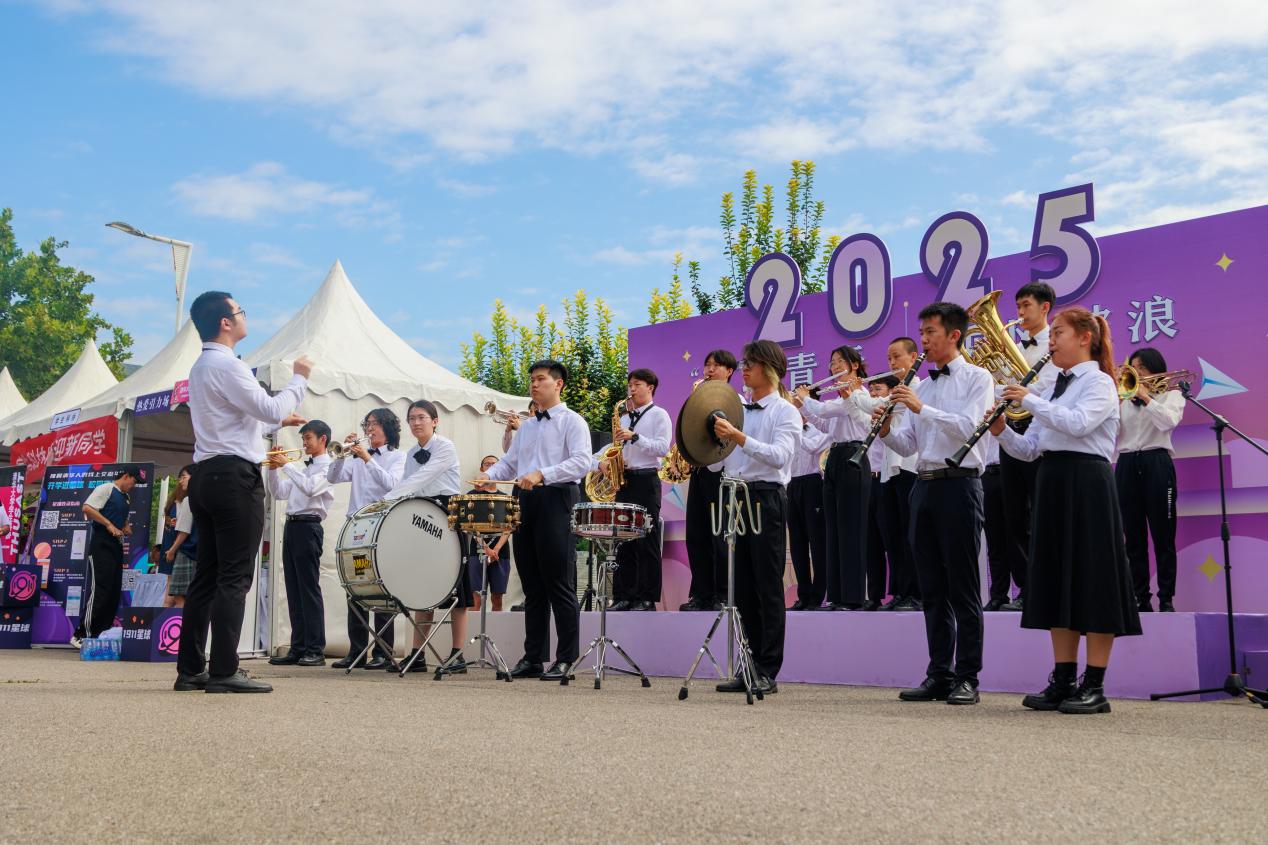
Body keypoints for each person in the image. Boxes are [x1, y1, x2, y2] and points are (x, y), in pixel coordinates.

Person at [991, 307, 1141, 714]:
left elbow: (1078, 425)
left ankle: (1094, 684)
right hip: (1053, 480)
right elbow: (1030, 449)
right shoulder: (1055, 388)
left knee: (1095, 578)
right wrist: (1001, 431)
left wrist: (1030, 399)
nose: (1051, 340)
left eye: (1058, 333)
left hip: (1088, 483)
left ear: (1085, 338)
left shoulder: (1101, 382)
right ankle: (1062, 678)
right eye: (1052, 333)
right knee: (1057, 579)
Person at [176, 290, 310, 694]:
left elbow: (245, 421)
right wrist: (299, 377)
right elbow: (269, 409)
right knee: (234, 577)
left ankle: (191, 669)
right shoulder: (229, 365)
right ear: (225, 322)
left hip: (206, 475)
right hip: (235, 478)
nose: (244, 317)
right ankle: (224, 670)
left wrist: (278, 419)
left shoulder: (201, 367)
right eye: (240, 312)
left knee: (207, 576)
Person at [880, 301, 994, 706]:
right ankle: (939, 672)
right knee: (931, 587)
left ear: (954, 335)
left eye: (930, 332)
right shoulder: (923, 386)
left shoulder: (978, 378)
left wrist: (921, 407)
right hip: (924, 486)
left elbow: (971, 427)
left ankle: (968, 676)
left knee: (962, 585)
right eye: (922, 333)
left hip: (960, 485)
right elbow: (910, 444)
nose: (924, 340)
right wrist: (885, 429)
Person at [478, 359, 592, 681]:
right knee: (531, 584)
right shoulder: (527, 426)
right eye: (532, 379)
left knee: (559, 581)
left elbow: (582, 462)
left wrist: (543, 473)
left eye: (540, 379)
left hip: (557, 498)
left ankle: (565, 659)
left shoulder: (573, 421)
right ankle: (533, 658)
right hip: (524, 501)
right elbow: (510, 463)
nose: (534, 384)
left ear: (559, 384)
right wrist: (488, 476)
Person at [710, 340, 802, 695]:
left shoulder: (785, 411)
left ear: (771, 368)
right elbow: (718, 464)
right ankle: (747, 667)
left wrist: (737, 436)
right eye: (744, 362)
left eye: (751, 362)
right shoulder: (738, 410)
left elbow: (780, 456)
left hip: (765, 497)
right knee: (742, 587)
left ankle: (767, 668)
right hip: (735, 496)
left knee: (767, 585)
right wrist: (711, 441)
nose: (744, 368)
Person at [384, 399, 468, 673]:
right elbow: (409, 486)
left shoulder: (445, 446)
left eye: (421, 417)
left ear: (435, 421)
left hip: (448, 512)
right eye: (412, 418)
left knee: (457, 588)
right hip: (421, 513)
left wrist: (389, 498)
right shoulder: (411, 453)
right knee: (424, 585)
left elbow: (423, 478)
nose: (416, 422)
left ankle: (457, 655)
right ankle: (417, 655)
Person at [328, 408, 407, 670]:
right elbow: (332, 477)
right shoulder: (357, 457)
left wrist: (367, 459)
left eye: (375, 424)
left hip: (382, 525)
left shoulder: (398, 457)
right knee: (356, 587)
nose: (369, 429)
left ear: (388, 428)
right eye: (367, 424)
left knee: (381, 587)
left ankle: (383, 652)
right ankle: (357, 651)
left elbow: (392, 485)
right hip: (356, 527)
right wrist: (342, 455)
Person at [795, 346, 873, 610]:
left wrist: (806, 399)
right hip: (836, 457)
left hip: (854, 456)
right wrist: (803, 408)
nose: (835, 366)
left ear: (854, 365)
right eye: (832, 362)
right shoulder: (839, 398)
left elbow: (828, 410)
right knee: (834, 529)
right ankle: (837, 594)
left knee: (851, 529)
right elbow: (825, 424)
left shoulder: (858, 394)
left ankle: (853, 596)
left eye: (841, 361)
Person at [997, 282, 1059, 611]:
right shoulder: (1014, 346)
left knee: (1040, 514)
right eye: (1018, 306)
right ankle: (1025, 589)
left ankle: (1045, 587)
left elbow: (1050, 388)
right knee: (1013, 516)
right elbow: (999, 387)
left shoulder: (1057, 345)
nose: (1019, 313)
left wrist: (1022, 391)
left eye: (1026, 305)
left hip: (1040, 431)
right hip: (1010, 431)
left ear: (1044, 307)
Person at [1115, 347, 1184, 613]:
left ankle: (1166, 598)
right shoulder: (1123, 397)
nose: (1137, 372)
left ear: (1155, 368)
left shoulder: (1172, 394)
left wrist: (1146, 397)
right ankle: (1139, 597)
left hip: (1157, 462)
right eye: (1133, 367)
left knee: (1163, 536)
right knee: (1132, 537)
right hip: (1127, 463)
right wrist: (1115, 396)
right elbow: (1111, 431)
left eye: (1142, 366)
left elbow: (1168, 422)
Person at [265, 421, 334, 667]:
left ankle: (315, 648)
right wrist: (273, 469)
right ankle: (298, 647)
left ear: (323, 439)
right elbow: (279, 492)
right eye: (303, 438)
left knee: (308, 589)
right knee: (293, 589)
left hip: (309, 526)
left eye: (308, 438)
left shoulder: (330, 466)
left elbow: (311, 488)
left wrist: (287, 465)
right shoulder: (302, 468)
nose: (304, 443)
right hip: (292, 525)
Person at [602, 369, 671, 612]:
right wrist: (608, 461)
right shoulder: (623, 419)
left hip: (646, 480)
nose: (631, 389)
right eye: (630, 384)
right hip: (625, 480)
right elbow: (618, 449)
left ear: (650, 387)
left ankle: (646, 597)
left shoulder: (659, 415)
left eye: (637, 384)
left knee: (646, 538)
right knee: (623, 539)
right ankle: (623, 595)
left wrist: (635, 437)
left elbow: (662, 448)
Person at [680, 349, 738, 611]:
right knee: (696, 533)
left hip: (722, 473)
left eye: (716, 366)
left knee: (720, 535)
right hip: (699, 471)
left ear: (730, 371)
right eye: (707, 365)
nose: (709, 370)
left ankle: (723, 593)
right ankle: (701, 593)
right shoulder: (699, 399)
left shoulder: (735, 401)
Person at [876, 338, 922, 612]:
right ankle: (900, 591)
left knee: (911, 534)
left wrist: (854, 394)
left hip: (909, 467)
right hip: (889, 470)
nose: (892, 363)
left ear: (914, 357)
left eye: (897, 357)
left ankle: (916, 592)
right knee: (892, 535)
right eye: (889, 358)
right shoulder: (893, 394)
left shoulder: (919, 389)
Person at [74, 465, 142, 645]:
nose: (134, 485)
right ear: (126, 476)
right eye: (134, 481)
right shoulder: (106, 488)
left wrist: (126, 526)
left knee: (113, 591)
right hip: (101, 543)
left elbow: (123, 518)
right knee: (101, 589)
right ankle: (82, 634)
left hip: (116, 545)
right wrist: (108, 524)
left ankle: (100, 634)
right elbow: (87, 508)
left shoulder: (126, 497)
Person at [787, 414, 831, 611]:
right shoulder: (788, 430)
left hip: (813, 483)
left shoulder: (821, 429)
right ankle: (803, 595)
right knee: (797, 542)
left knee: (817, 541)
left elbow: (813, 447)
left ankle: (818, 595)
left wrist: (794, 431)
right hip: (792, 484)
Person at [466, 456, 511, 612]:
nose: (491, 466)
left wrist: (496, 549)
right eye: (487, 464)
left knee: (497, 598)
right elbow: (470, 525)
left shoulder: (505, 498)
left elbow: (509, 527)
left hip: (501, 552)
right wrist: (485, 547)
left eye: (494, 464)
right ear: (482, 469)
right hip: (477, 551)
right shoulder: (472, 495)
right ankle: (472, 628)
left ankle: (495, 627)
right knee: (476, 598)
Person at [980, 437, 1010, 611]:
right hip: (987, 473)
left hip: (1015, 468)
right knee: (994, 540)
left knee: (1021, 535)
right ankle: (998, 595)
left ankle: (1026, 593)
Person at [163, 465, 197, 609]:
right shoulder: (206, 498)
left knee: (178, 596)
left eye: (184, 477)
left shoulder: (189, 499)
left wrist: (172, 550)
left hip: (186, 551)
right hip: (199, 551)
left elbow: (184, 530)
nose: (180, 481)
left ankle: (180, 623)